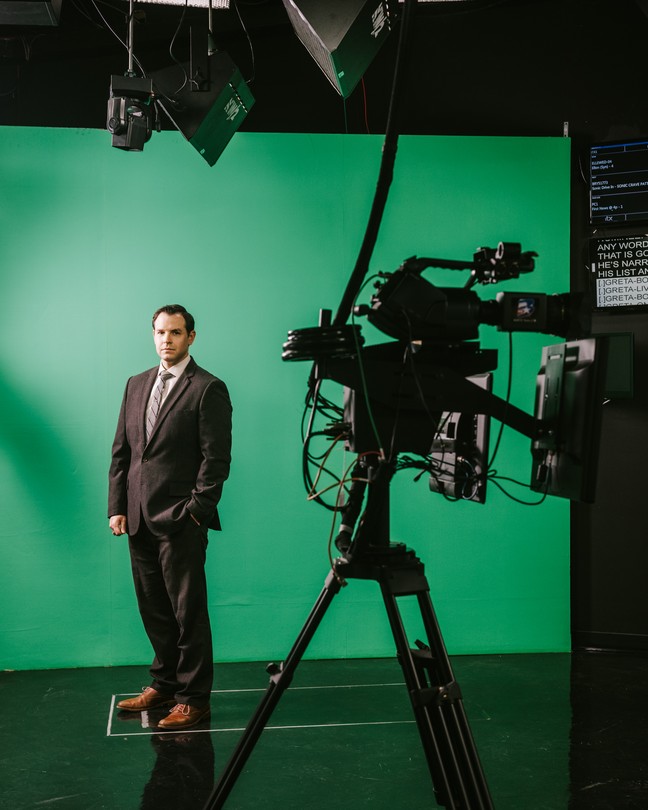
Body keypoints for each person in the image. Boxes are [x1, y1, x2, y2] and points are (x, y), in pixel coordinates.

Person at [108, 304, 232, 730]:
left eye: (176, 333)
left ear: (191, 337)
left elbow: (216, 461)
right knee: (154, 609)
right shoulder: (136, 384)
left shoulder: (208, 388)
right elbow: (122, 452)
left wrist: (196, 512)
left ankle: (194, 698)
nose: (167, 340)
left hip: (181, 521)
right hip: (137, 520)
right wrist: (118, 507)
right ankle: (164, 683)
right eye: (161, 332)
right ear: (153, 334)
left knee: (187, 613)